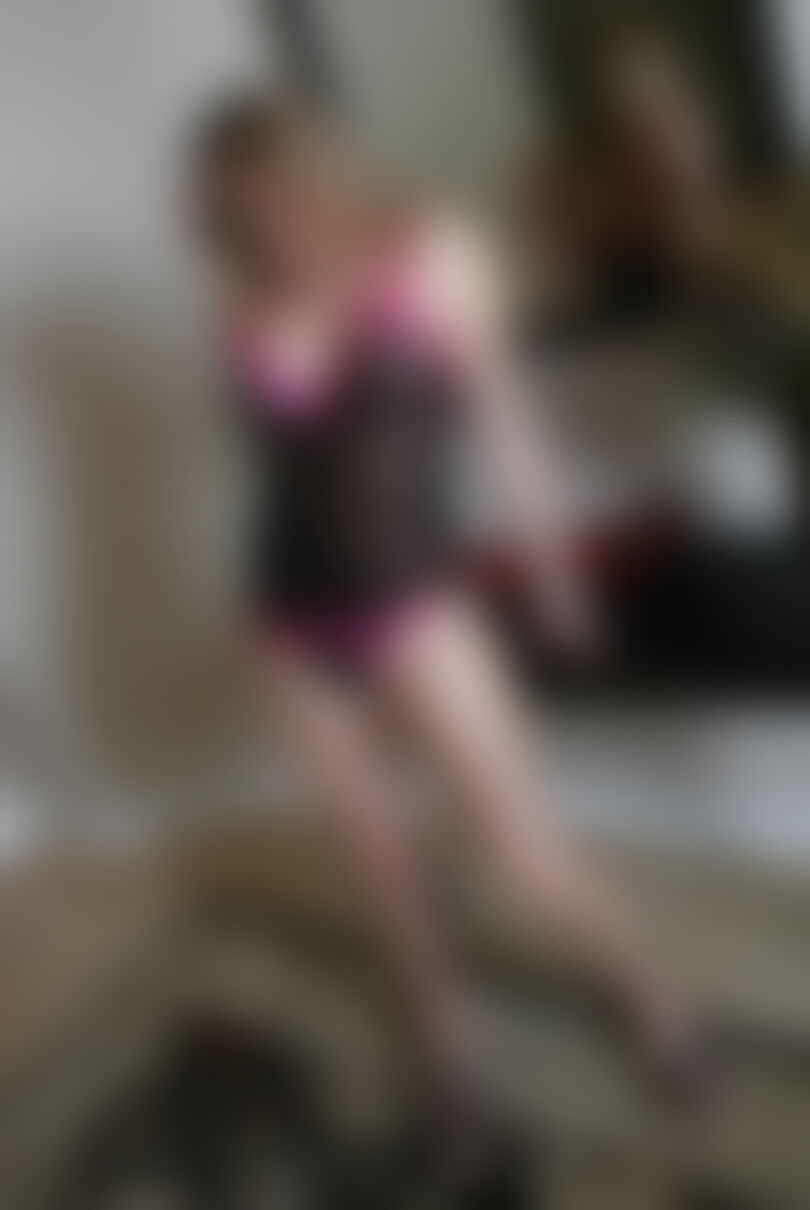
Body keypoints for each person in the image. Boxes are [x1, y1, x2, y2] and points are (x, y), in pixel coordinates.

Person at [191, 94, 702, 1108]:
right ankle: (444, 1032)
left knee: (520, 853)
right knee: (379, 860)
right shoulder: (238, 307)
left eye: (276, 197)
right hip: (288, 622)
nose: (266, 228)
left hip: (414, 605)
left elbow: (504, 418)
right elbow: (292, 469)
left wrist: (554, 570)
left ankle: (651, 992)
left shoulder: (431, 254)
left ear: (317, 174)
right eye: (238, 215)